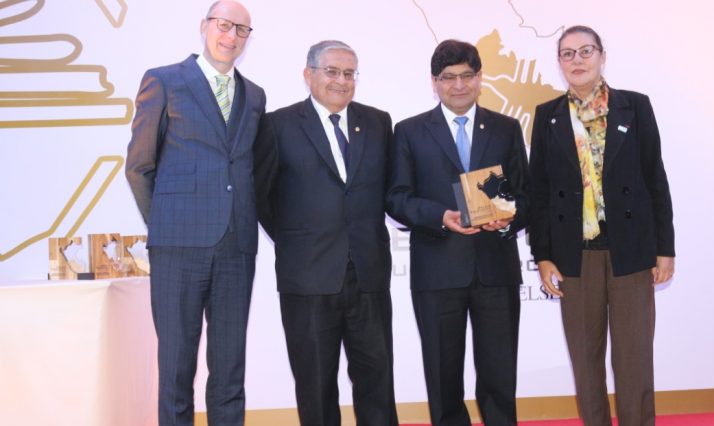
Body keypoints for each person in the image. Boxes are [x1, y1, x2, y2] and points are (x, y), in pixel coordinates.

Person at [125, 1, 265, 424]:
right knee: (176, 370)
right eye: (224, 25)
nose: (231, 36)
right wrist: (165, 225)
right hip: (177, 250)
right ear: (204, 26)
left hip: (236, 247)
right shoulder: (164, 80)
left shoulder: (255, 95)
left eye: (242, 29)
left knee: (230, 372)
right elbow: (139, 166)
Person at [528, 25, 675, 426]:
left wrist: (665, 249)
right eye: (567, 53)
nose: (577, 60)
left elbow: (655, 178)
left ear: (602, 56)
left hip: (631, 251)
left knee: (634, 358)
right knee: (585, 359)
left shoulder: (635, 106)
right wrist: (543, 255)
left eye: (585, 51)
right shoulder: (548, 116)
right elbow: (539, 192)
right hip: (574, 256)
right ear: (559, 62)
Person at [253, 40, 398, 426]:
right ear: (308, 75)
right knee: (315, 387)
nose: (341, 81)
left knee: (378, 382)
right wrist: (296, 238)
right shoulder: (277, 125)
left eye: (349, 73)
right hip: (308, 277)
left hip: (368, 275)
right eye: (331, 71)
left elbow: (392, 190)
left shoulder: (378, 122)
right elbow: (260, 195)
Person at [387, 39, 529, 426]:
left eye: (467, 75)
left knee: (500, 374)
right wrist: (440, 216)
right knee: (443, 377)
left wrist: (510, 218)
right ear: (434, 82)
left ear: (480, 77)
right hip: (437, 269)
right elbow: (397, 198)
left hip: (495, 269)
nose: (459, 85)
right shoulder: (410, 131)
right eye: (449, 77)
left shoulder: (506, 128)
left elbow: (526, 194)